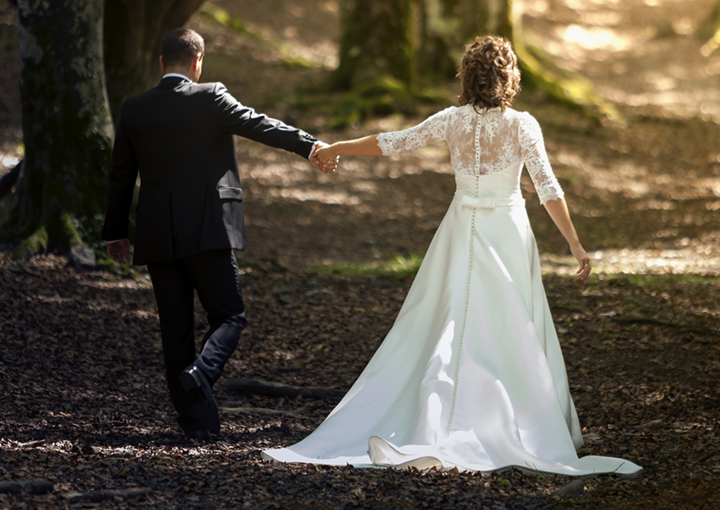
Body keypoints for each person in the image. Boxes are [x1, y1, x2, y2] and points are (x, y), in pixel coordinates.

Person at [263, 35, 640, 476]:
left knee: (449, 321)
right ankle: (522, 421)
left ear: (467, 76)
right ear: (509, 76)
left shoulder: (451, 120)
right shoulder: (523, 125)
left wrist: (336, 147)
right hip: (506, 232)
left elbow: (392, 141)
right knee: (508, 321)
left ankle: (441, 413)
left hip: (461, 227)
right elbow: (547, 188)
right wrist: (574, 243)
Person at [103, 28, 332, 443]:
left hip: (157, 235)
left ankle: (192, 421)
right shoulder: (210, 97)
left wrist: (115, 232)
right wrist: (309, 145)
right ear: (197, 62)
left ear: (161, 63)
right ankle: (202, 372)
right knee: (229, 315)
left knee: (174, 328)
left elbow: (122, 175)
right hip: (208, 228)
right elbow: (258, 124)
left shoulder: (134, 109)